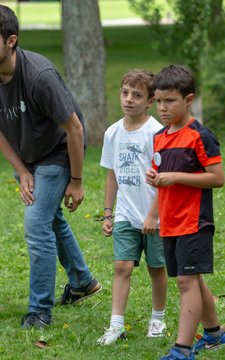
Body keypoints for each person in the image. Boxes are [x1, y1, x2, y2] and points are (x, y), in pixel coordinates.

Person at [0, 4, 101, 329]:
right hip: (26, 155)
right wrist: (23, 170)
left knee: (37, 223)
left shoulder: (40, 76)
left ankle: (39, 310)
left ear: (11, 41)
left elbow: (75, 130)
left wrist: (76, 180)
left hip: (58, 152)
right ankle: (82, 282)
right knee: (50, 218)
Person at [146, 65, 225, 360]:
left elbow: (217, 178)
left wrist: (176, 176)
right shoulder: (160, 137)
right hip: (170, 222)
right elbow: (163, 176)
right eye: (158, 101)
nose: (162, 107)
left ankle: (182, 349)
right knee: (191, 278)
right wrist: (156, 180)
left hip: (194, 221)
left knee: (185, 282)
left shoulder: (200, 136)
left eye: (170, 101)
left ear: (188, 99)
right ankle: (215, 334)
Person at [97, 69, 168, 346]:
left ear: (150, 100)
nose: (129, 99)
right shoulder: (112, 133)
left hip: (156, 216)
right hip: (126, 214)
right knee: (122, 267)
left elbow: (164, 181)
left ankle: (158, 319)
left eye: (137, 95)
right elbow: (112, 176)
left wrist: (153, 214)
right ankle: (116, 326)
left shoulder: (157, 133)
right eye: (125, 93)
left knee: (156, 268)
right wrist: (108, 213)